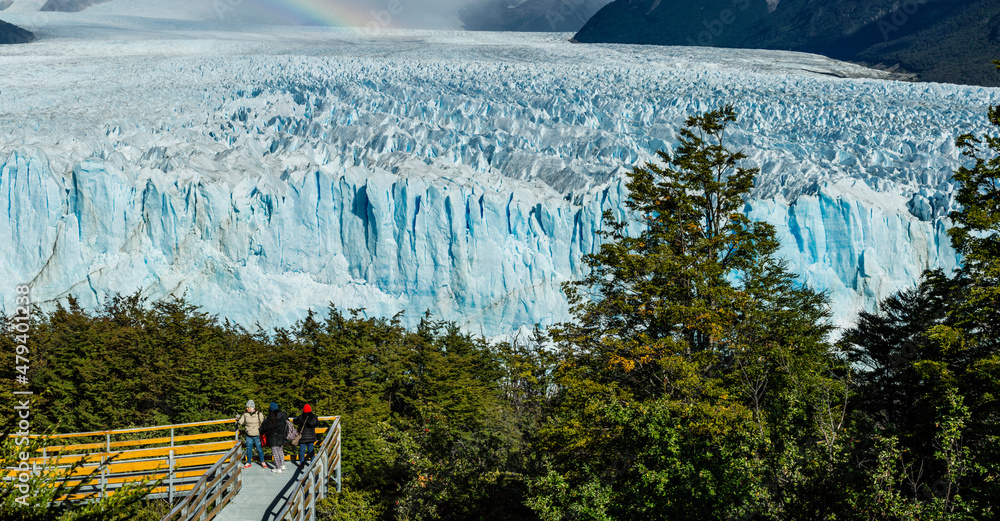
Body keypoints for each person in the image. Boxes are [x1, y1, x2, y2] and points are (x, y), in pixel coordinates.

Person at [236, 400, 265, 469]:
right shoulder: (245, 414)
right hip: (248, 434)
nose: (246, 408)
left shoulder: (259, 414)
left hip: (257, 434)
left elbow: (263, 422)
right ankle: (248, 462)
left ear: (251, 407)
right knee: (249, 449)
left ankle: (262, 461)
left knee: (259, 448)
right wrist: (237, 419)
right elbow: (241, 422)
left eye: (247, 407)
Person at [260, 401, 288, 473]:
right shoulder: (282, 415)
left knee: (275, 452)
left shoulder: (271, 417)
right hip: (281, 436)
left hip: (274, 437)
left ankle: (278, 468)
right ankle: (282, 465)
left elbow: (266, 427)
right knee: (280, 451)